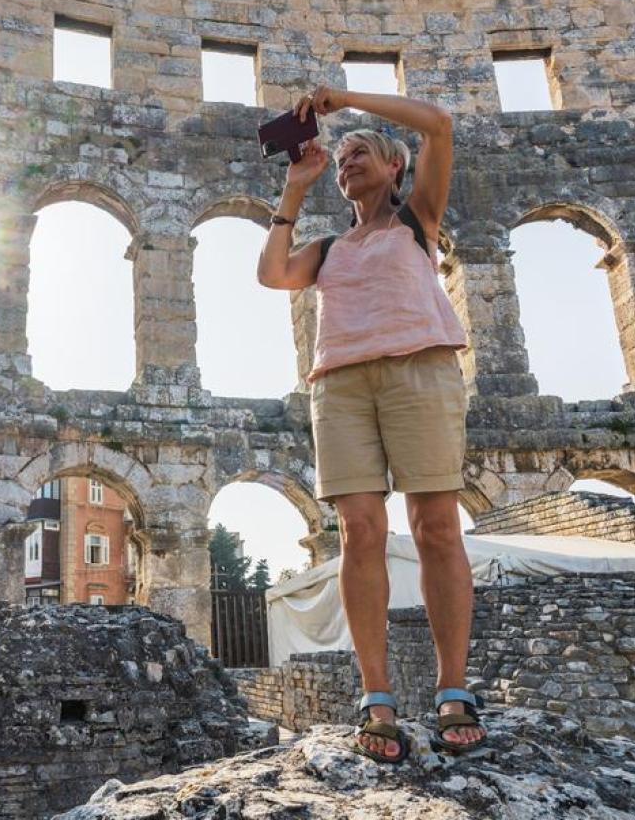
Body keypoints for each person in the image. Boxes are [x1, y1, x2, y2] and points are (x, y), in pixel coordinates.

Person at [255, 84, 484, 763]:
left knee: (436, 526)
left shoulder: (419, 219)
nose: (349, 159)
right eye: (343, 155)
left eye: (363, 153)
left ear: (394, 168)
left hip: (421, 368)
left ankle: (451, 688)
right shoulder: (328, 247)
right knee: (359, 530)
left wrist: (346, 102)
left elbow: (439, 124)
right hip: (342, 385)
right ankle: (376, 693)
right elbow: (272, 274)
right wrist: (296, 186)